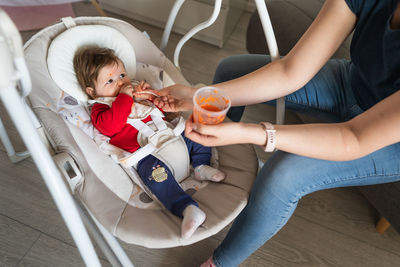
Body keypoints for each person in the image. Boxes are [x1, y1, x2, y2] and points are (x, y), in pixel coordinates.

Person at [154, 0, 400, 265]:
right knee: (230, 72)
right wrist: (196, 97)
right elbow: (289, 71)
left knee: (285, 174)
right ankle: (207, 164)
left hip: (387, 139)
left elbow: (354, 137)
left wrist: (251, 132)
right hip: (352, 84)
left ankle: (221, 262)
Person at [73, 46, 225, 239]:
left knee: (195, 132)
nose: (120, 83)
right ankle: (187, 208)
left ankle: (201, 165)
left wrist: (151, 97)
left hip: (171, 138)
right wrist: (125, 97)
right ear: (92, 92)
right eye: (110, 81)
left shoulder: (136, 91)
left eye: (122, 75)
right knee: (154, 177)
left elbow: (165, 112)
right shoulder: (100, 109)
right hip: (148, 155)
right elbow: (110, 126)